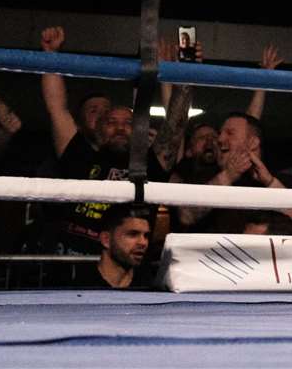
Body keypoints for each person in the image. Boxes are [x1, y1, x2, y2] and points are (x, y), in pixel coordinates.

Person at [38, 27, 187, 254]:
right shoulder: (80, 155)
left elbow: (176, 124)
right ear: (98, 129)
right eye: (111, 122)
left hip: (129, 270)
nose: (119, 128)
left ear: (138, 129)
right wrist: (50, 55)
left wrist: (181, 72)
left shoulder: (151, 164)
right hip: (73, 264)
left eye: (128, 123)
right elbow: (57, 108)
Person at [76, 204, 154, 289]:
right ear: (106, 239)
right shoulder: (79, 286)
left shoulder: (151, 286)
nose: (143, 243)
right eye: (133, 234)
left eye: (146, 236)